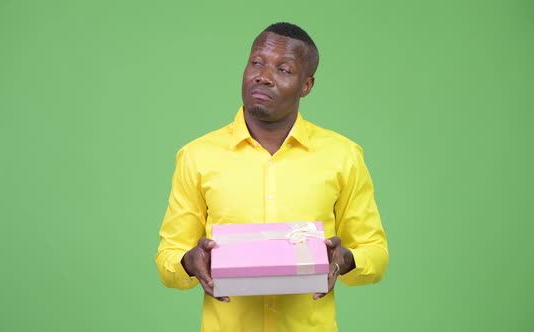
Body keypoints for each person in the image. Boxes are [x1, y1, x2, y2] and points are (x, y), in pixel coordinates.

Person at [156, 22, 389, 332]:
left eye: (283, 69)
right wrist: (189, 262)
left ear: (306, 86)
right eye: (256, 62)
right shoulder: (196, 156)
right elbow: (168, 257)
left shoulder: (343, 156)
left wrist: (347, 260)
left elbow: (375, 251)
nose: (262, 76)